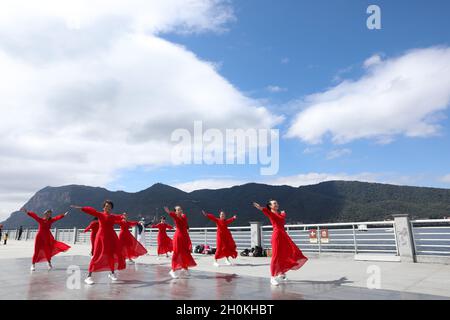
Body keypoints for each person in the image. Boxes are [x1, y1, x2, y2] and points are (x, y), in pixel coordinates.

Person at [253, 200, 308, 286]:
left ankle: (281, 273)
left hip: (284, 236)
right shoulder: (270, 213)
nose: (276, 204)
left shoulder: (279, 214)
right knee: (275, 256)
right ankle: (272, 277)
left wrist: (283, 214)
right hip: (277, 236)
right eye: (274, 203)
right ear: (270, 206)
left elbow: (281, 219)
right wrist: (260, 208)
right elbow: (266, 211)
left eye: (277, 203)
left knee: (286, 253)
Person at [71, 200, 126, 285]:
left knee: (111, 255)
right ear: (103, 207)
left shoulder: (112, 216)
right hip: (101, 238)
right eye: (106, 206)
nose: (108, 207)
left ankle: (112, 273)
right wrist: (82, 208)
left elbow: (119, 217)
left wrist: (123, 216)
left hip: (111, 237)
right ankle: (88, 277)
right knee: (96, 255)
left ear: (111, 208)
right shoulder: (100, 215)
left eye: (110, 206)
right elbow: (91, 211)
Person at [164, 206, 196, 279]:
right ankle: (173, 270)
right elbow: (173, 215)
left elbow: (186, 223)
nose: (180, 210)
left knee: (185, 252)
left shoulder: (184, 216)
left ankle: (185, 268)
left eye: (180, 209)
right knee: (177, 253)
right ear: (176, 212)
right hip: (178, 237)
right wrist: (169, 212)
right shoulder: (176, 217)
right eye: (178, 210)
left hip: (185, 237)